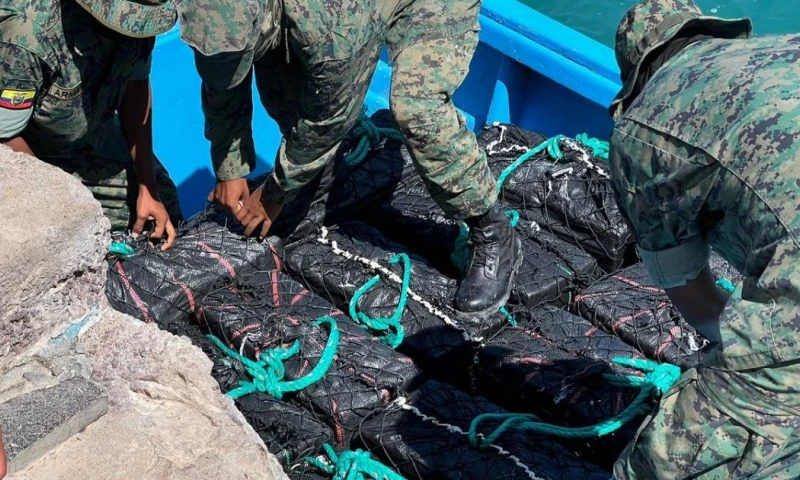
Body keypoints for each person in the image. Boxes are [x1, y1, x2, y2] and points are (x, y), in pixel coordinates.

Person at [177, 0, 522, 317]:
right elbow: (222, 79)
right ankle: (322, 178)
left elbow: (327, 121)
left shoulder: (331, 29)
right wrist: (229, 169)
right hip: (325, 21)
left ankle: (493, 232)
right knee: (283, 86)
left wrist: (274, 193)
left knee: (418, 110)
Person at [608, 0, 800, 477]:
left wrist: (736, 347)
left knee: (660, 464)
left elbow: (691, 292)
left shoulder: (643, 126)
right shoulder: (785, 49)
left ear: (639, 72)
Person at [0, 0, 183, 249]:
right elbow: (6, 137)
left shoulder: (140, 22)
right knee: (88, 233)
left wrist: (146, 184)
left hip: (94, 131)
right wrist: (62, 207)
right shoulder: (26, 33)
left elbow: (135, 85)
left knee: (163, 204)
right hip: (31, 153)